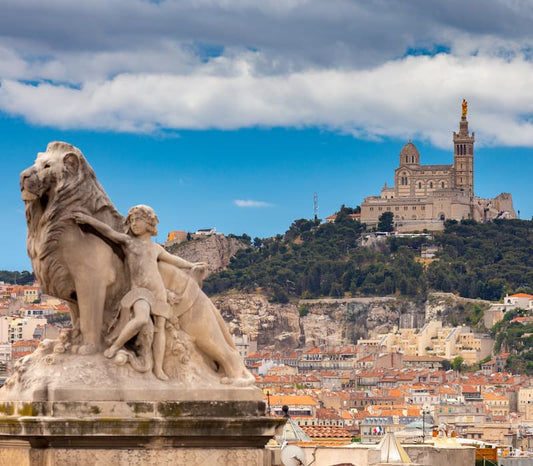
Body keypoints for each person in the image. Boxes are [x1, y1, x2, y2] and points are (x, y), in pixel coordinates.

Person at [73, 205, 206, 380]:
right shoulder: (129, 242)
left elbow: (173, 259)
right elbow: (108, 232)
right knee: (141, 318)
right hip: (139, 292)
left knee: (159, 329)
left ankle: (158, 368)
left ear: (149, 223)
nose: (134, 224)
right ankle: (115, 347)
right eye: (132, 220)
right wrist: (89, 220)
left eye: (139, 220)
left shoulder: (156, 248)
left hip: (158, 291)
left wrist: (191, 265)